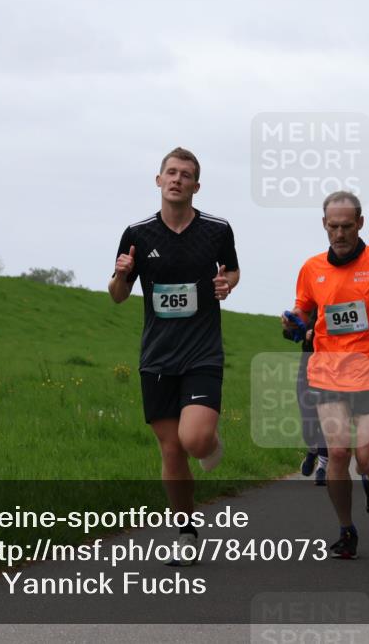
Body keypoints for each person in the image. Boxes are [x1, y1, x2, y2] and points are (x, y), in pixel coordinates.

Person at [110, 147, 240, 565]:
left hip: (202, 352)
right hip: (157, 357)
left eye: (186, 175)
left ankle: (210, 441)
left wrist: (227, 284)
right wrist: (121, 273)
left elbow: (232, 269)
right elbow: (116, 295)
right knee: (171, 451)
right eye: (171, 173)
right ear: (158, 180)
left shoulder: (217, 230)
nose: (177, 179)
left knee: (195, 440)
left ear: (196, 186)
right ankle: (185, 531)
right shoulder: (137, 233)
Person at [283, 191, 369, 560]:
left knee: (367, 459)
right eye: (333, 226)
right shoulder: (312, 268)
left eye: (347, 226)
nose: (340, 233)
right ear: (324, 225)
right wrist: (294, 322)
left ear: (360, 223)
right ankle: (346, 529)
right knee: (339, 453)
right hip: (327, 373)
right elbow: (304, 309)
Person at [284, 310, 329, 485]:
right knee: (309, 423)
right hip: (307, 372)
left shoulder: (340, 303)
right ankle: (312, 451)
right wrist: (295, 327)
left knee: (327, 421)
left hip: (332, 372)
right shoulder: (310, 307)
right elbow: (289, 332)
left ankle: (322, 467)